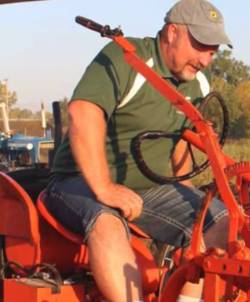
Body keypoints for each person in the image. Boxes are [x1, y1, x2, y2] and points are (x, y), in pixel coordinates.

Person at [45, 0, 232, 301]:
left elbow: (180, 141)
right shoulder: (124, 58)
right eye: (200, 46)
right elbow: (83, 113)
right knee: (107, 220)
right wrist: (105, 188)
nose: (205, 59)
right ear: (173, 32)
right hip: (76, 182)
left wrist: (188, 193)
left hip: (149, 189)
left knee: (220, 222)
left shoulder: (196, 83)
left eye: (212, 51)